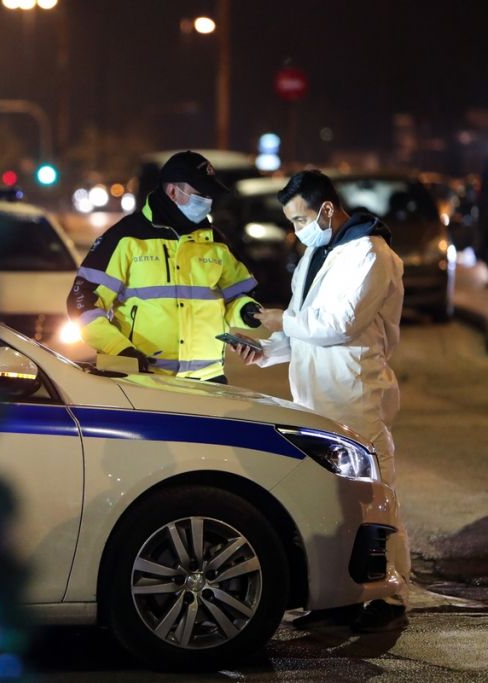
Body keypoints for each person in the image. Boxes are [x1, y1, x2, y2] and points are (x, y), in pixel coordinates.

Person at [232, 169, 410, 633]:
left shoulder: (370, 254)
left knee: (374, 495)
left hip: (354, 393)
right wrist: (265, 351)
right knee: (327, 498)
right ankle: (338, 598)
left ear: (327, 209)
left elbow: (339, 324)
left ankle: (391, 593)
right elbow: (305, 326)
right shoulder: (318, 251)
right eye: (291, 222)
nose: (296, 230)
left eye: (300, 219)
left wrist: (280, 322)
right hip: (315, 397)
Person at [66, 150, 262, 383]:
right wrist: (119, 350)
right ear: (172, 191)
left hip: (209, 381)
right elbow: (82, 302)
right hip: (145, 381)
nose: (207, 201)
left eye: (210, 194)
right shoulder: (126, 238)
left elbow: (238, 296)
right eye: (200, 194)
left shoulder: (215, 242)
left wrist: (246, 311)